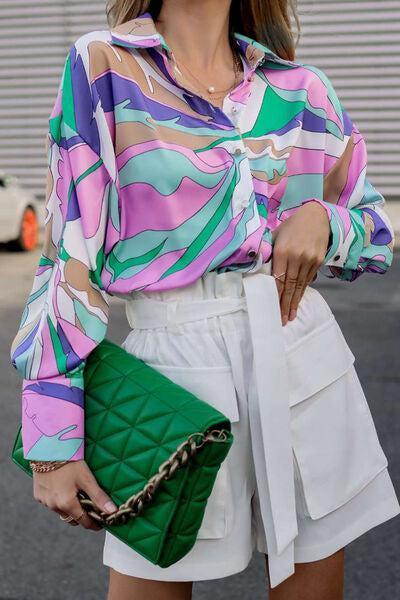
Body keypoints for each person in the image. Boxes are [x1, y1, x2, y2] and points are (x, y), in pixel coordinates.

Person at [9, 1, 400, 599]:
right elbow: (69, 251)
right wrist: (51, 436)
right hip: (172, 371)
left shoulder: (301, 89)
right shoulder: (104, 66)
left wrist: (324, 220)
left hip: (302, 355)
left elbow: (375, 232)